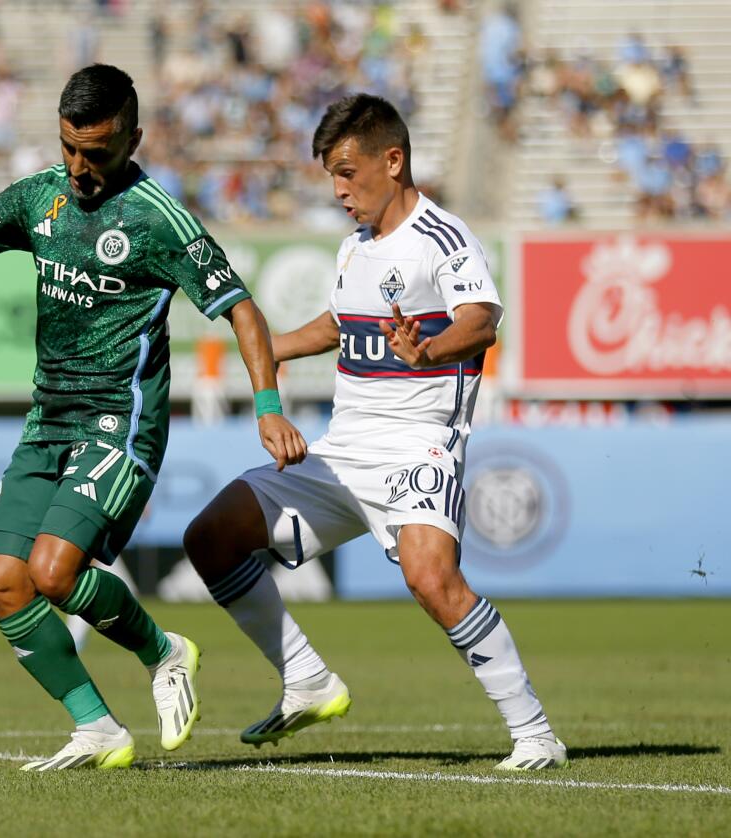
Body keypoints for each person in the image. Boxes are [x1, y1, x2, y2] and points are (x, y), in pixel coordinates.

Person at [0, 64, 306, 771]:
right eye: (69, 149)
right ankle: (97, 727)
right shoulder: (40, 198)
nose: (80, 168)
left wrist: (268, 408)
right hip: (48, 420)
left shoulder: (160, 219)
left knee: (55, 573)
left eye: (98, 153)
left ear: (133, 138)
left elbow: (240, 305)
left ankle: (165, 652)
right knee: (2, 586)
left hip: (122, 421)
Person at [184, 94, 567, 772]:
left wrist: (431, 350)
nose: (337, 191)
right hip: (343, 449)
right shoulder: (354, 247)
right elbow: (338, 325)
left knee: (432, 579)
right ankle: (305, 678)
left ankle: (535, 733)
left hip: (419, 441)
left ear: (393, 161)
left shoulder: (443, 237)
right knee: (210, 537)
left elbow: (481, 321)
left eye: (345, 172)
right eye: (331, 176)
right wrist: (268, 350)